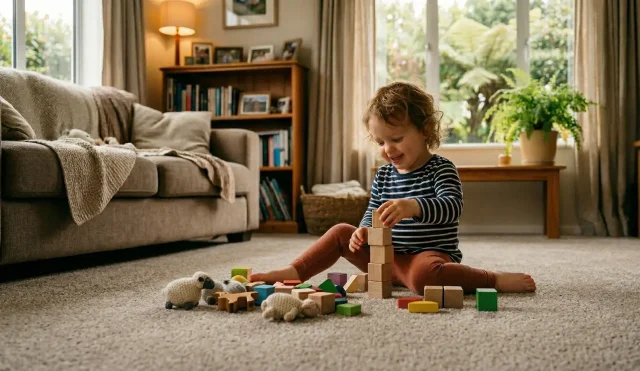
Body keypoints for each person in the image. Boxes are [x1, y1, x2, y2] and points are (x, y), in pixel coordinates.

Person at [250, 82, 536, 295]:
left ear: (424, 129)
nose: (388, 149)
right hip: (385, 258)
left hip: (428, 256)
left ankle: (492, 279)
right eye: (380, 142)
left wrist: (414, 206)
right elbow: (372, 210)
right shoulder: (384, 175)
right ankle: (294, 270)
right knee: (340, 232)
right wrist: (363, 230)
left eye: (396, 138)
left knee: (425, 277)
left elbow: (452, 207)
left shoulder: (442, 168)